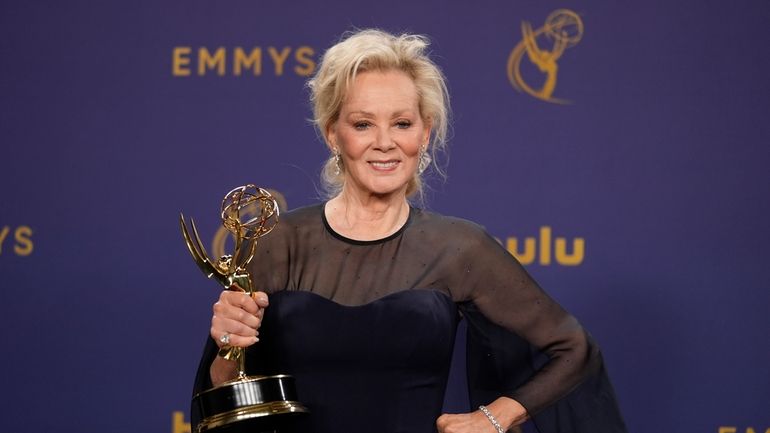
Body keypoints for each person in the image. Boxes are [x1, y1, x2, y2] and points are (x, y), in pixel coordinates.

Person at [193, 29, 627, 433]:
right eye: (363, 124)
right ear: (333, 135)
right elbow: (222, 392)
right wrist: (229, 345)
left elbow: (573, 349)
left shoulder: (460, 248)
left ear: (425, 133)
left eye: (401, 123)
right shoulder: (278, 241)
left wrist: (494, 418)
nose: (385, 142)